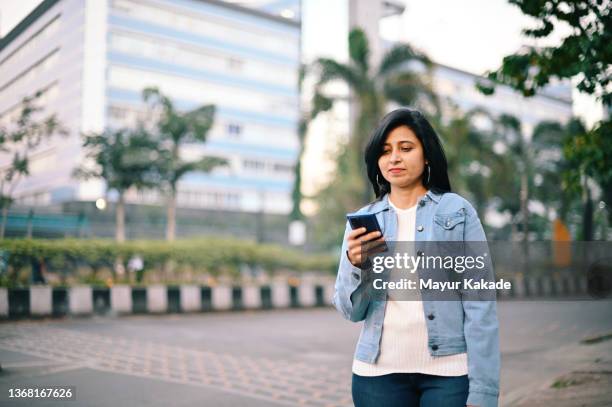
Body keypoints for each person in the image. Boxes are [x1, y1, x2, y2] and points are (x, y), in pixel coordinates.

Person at [332, 108, 500, 407]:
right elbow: (352, 311)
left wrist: (483, 392)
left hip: (448, 374)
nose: (394, 158)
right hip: (376, 376)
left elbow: (479, 304)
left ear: (426, 155)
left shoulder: (457, 212)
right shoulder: (363, 221)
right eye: (385, 151)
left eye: (405, 148)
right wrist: (355, 266)